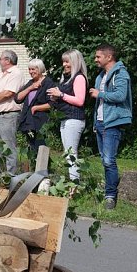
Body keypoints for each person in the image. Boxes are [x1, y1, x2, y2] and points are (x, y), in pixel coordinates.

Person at [89, 43, 133, 210]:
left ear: (109, 57)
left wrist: (99, 93)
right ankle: (109, 189)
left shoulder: (121, 74)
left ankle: (110, 195)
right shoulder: (101, 76)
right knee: (104, 160)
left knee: (109, 160)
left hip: (112, 122)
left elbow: (121, 95)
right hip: (100, 122)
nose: (95, 60)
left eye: (98, 56)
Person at [47, 49, 89, 181]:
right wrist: (55, 97)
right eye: (63, 62)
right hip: (66, 118)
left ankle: (75, 183)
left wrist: (61, 95)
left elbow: (80, 100)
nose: (64, 64)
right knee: (67, 153)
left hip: (74, 119)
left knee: (71, 153)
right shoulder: (66, 78)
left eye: (67, 61)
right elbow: (66, 97)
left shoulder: (79, 77)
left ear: (75, 62)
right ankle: (73, 181)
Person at [0, 50, 25, 174]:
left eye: (1, 58)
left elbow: (9, 93)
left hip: (9, 115)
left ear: (8, 60)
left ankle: (10, 175)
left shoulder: (16, 73)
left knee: (8, 146)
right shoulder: (0, 74)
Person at [15, 58, 55, 163]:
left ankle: (44, 172)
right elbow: (17, 98)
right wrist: (30, 88)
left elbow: (52, 104)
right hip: (28, 122)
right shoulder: (30, 83)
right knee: (31, 149)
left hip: (40, 121)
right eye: (29, 69)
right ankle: (33, 171)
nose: (31, 72)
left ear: (40, 69)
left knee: (41, 147)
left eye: (33, 69)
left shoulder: (48, 83)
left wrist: (36, 107)